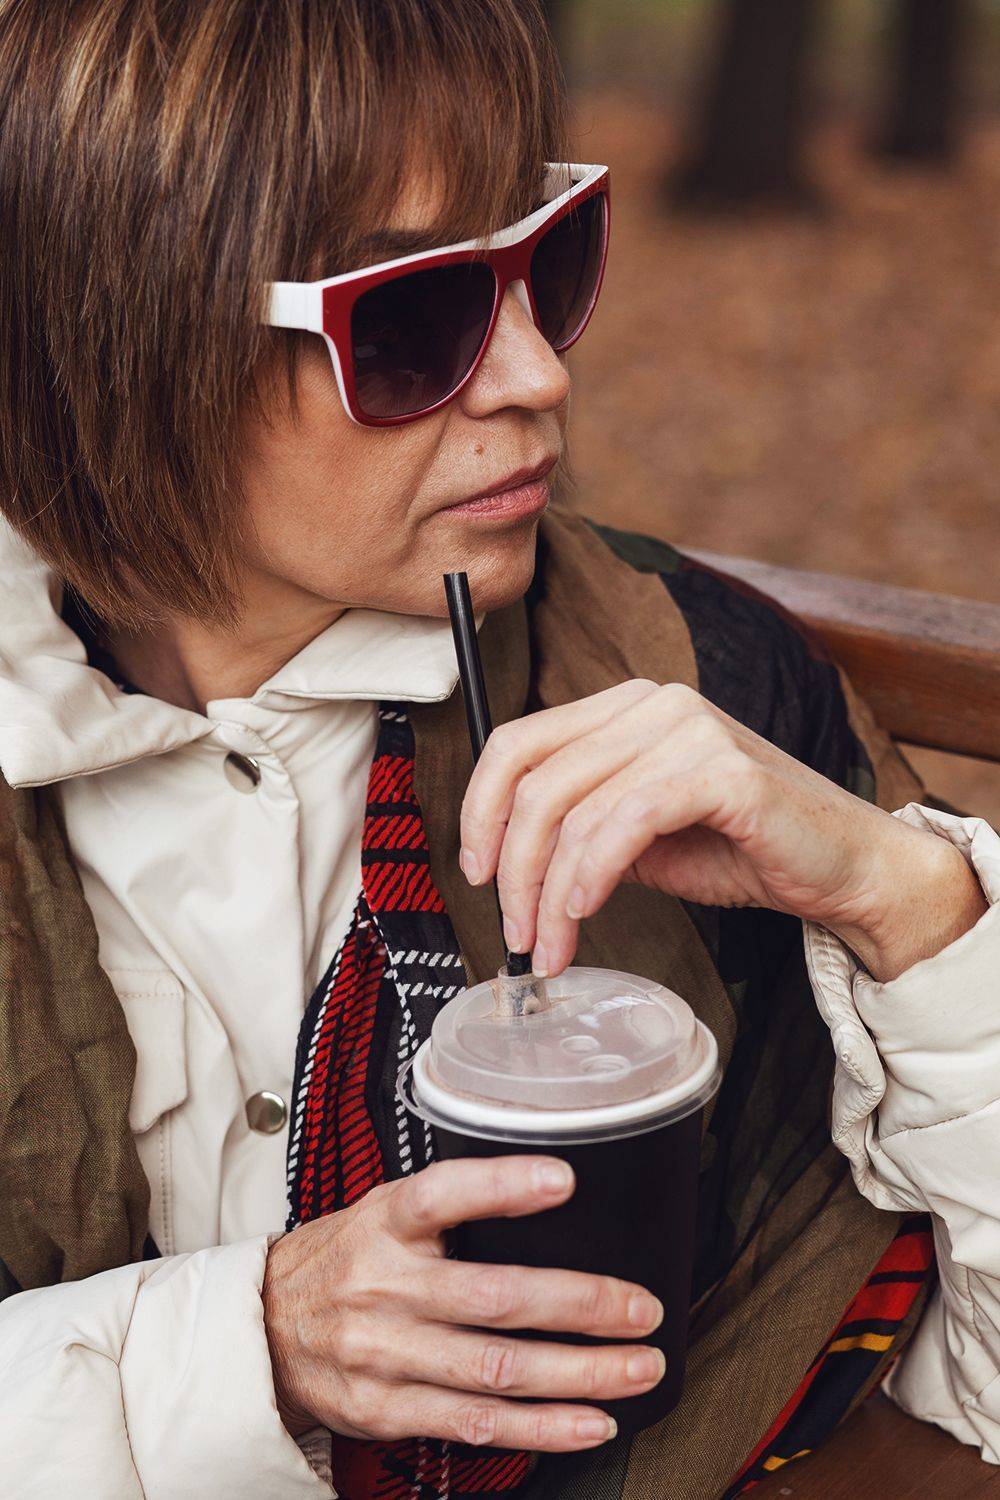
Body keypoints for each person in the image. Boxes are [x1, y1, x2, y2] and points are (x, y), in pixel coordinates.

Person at [0, 3, 997, 1498]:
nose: (538, 376)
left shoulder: (703, 689)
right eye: (414, 314)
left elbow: (964, 1394)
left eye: (551, 259)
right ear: (120, 348)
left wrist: (911, 910)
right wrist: (242, 1350)